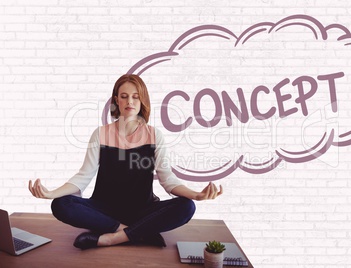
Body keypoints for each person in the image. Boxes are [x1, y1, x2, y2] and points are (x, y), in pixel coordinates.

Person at [28, 74, 223, 250]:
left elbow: (168, 180)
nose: (130, 101)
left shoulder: (154, 135)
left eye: (135, 96)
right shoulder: (101, 133)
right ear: (116, 101)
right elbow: (83, 177)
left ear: (142, 100)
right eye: (124, 96)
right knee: (61, 204)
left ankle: (112, 238)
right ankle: (137, 233)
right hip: (104, 212)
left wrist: (196, 195)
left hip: (143, 211)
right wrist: (51, 193)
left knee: (187, 206)